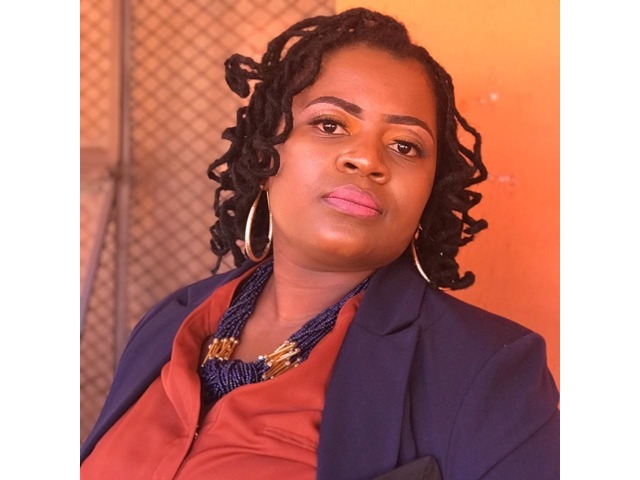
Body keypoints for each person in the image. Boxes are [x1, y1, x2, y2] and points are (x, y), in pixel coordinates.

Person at [80, 7, 559, 480]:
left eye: (405, 145)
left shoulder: (488, 372)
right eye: (330, 124)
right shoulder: (170, 322)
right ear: (266, 157)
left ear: (428, 192)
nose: (366, 159)